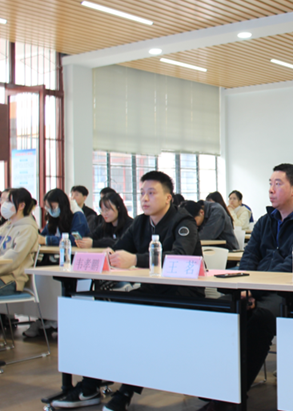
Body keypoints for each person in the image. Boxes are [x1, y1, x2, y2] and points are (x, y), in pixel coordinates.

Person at [52, 171, 203, 411]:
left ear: (168, 198)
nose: (144, 198)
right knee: (102, 314)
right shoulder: (141, 222)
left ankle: (122, 392)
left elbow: (181, 258)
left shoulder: (183, 222)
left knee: (131, 318)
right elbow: (118, 248)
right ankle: (90, 386)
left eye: (151, 193)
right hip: (150, 292)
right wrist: (112, 255)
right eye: (142, 193)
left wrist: (135, 259)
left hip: (182, 295)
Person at [198, 164, 293, 411]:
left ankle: (230, 399)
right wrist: (244, 288)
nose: (271, 189)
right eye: (270, 183)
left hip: (290, 294)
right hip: (253, 289)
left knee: (260, 318)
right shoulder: (265, 221)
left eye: (278, 184)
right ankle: (219, 389)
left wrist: (252, 290)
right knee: (216, 312)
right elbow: (249, 257)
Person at [0, 188, 39, 296]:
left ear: (21, 206)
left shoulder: (28, 229)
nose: (4, 204)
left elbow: (13, 259)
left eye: (8, 201)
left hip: (11, 280)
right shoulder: (5, 227)